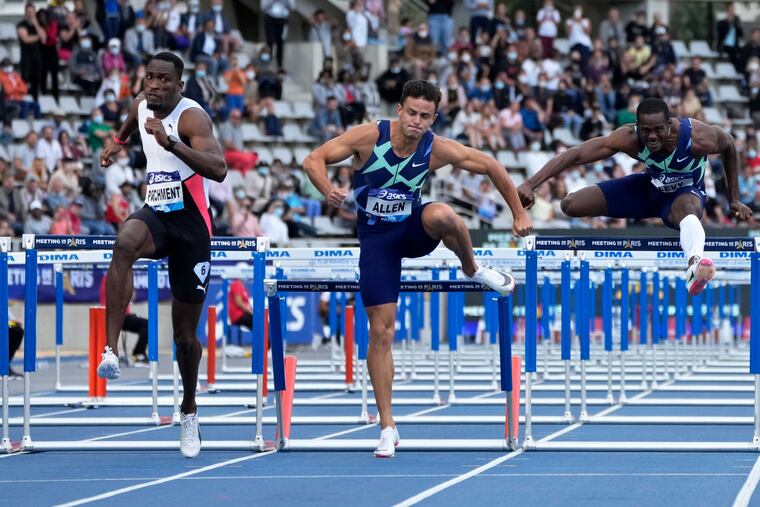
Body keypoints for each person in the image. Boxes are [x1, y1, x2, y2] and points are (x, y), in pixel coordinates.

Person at [303, 80, 532, 458]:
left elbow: (490, 165)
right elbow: (313, 158)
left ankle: (472, 268)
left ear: (434, 118)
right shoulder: (368, 136)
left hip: (413, 230)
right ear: (399, 110)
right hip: (377, 241)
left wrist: (519, 212)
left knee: (446, 214)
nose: (417, 121)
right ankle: (387, 426)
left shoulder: (436, 148)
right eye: (412, 113)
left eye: (425, 116)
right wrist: (326, 187)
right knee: (381, 330)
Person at [97, 52, 227, 458]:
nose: (155, 85)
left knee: (185, 336)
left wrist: (170, 142)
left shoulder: (192, 119)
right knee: (124, 243)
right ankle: (110, 350)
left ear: (179, 85)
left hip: (191, 226)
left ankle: (188, 408)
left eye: (164, 80)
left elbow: (219, 168)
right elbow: (129, 125)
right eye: (150, 78)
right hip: (156, 214)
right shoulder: (140, 103)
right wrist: (116, 144)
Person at [517, 97, 753, 297]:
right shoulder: (628, 137)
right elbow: (577, 154)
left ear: (669, 125)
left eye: (658, 130)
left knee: (688, 209)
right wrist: (531, 183)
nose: (651, 137)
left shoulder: (696, 137)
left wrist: (734, 198)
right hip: (647, 189)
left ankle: (694, 268)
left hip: (682, 197)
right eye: (646, 130)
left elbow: (729, 145)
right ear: (637, 125)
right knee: (571, 205)